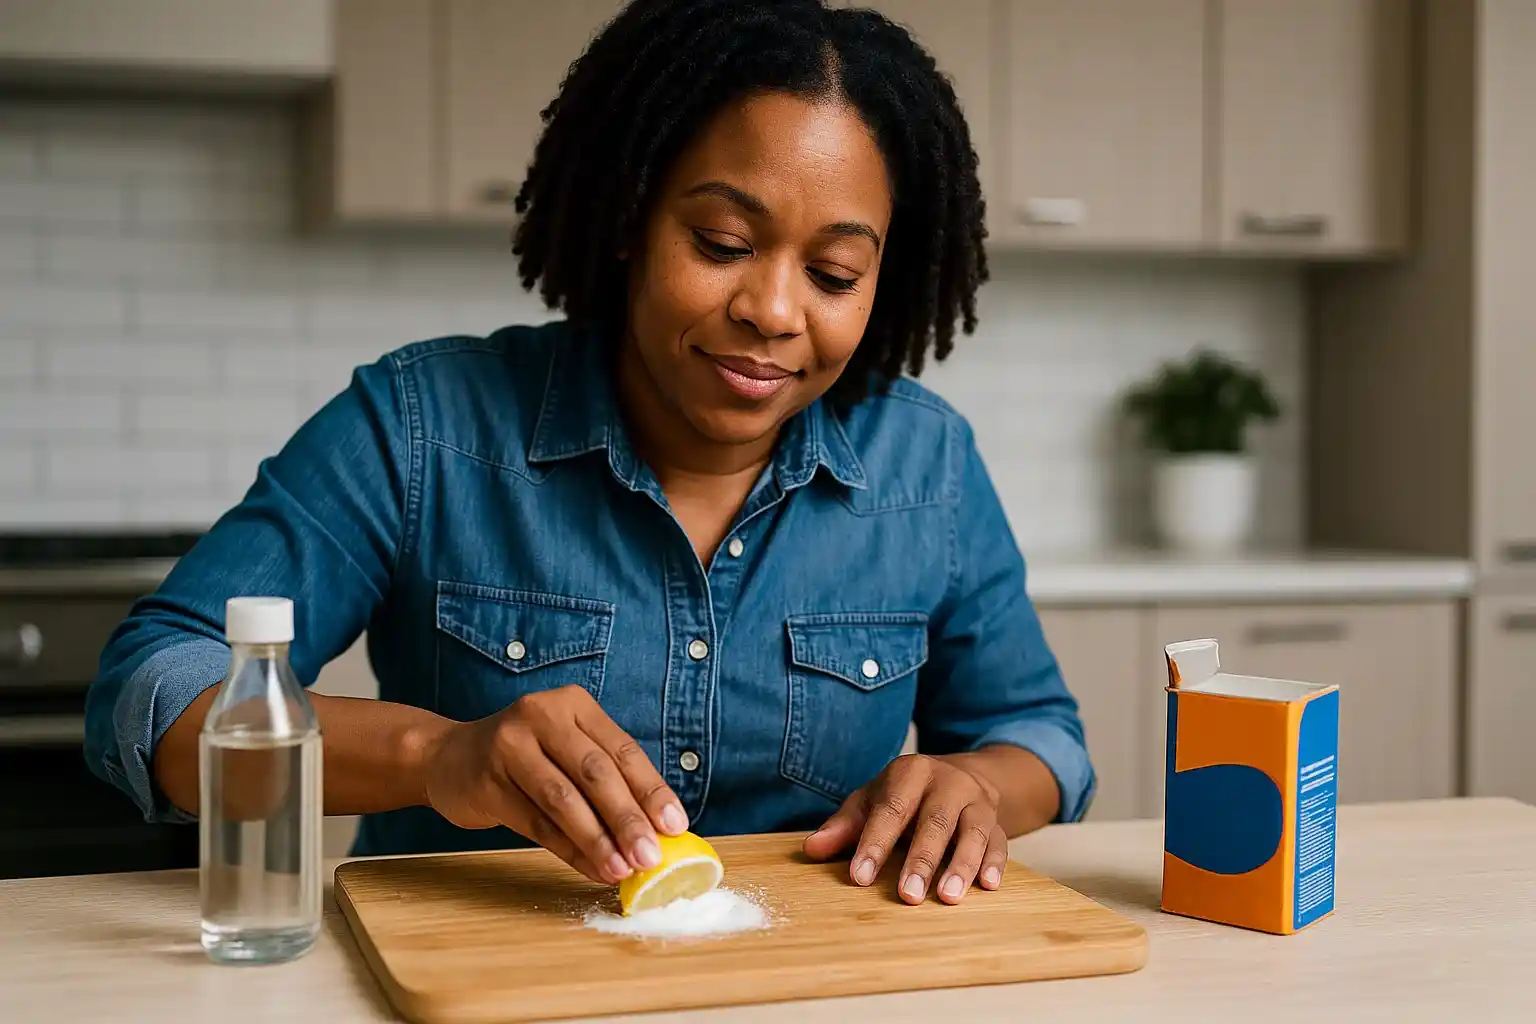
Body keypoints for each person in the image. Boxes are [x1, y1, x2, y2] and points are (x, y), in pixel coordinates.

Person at [84, 0, 1094, 907]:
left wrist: (976, 784)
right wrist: (439, 754)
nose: (772, 311)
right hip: (469, 981)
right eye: (720, 242)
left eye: (833, 273)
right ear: (629, 220)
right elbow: (154, 696)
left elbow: (1042, 736)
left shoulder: (927, 464)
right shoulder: (423, 424)